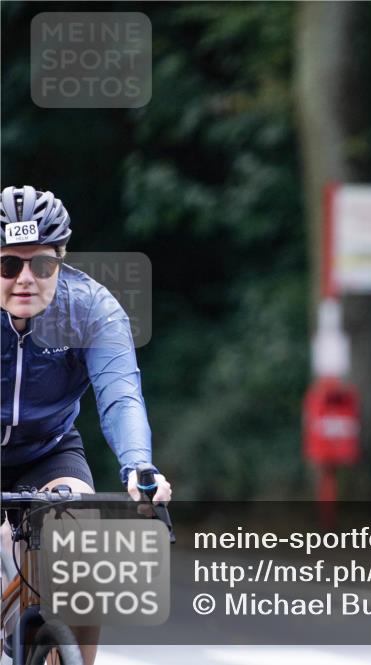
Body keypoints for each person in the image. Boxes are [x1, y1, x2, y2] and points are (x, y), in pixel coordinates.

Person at [0, 185, 172, 665]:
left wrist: (140, 468)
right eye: (9, 265)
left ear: (61, 259)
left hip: (48, 450)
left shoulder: (92, 309)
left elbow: (120, 395)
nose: (25, 279)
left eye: (42, 265)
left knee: (83, 549)